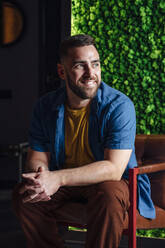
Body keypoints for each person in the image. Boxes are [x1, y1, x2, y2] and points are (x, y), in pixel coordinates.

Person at [12, 34, 155, 248]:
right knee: (25, 194)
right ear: (62, 71)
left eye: (95, 64)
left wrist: (57, 179)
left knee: (108, 193)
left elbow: (114, 169)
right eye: (80, 65)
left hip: (110, 182)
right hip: (67, 179)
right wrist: (41, 178)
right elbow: (37, 156)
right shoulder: (44, 106)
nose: (91, 74)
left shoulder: (119, 106)